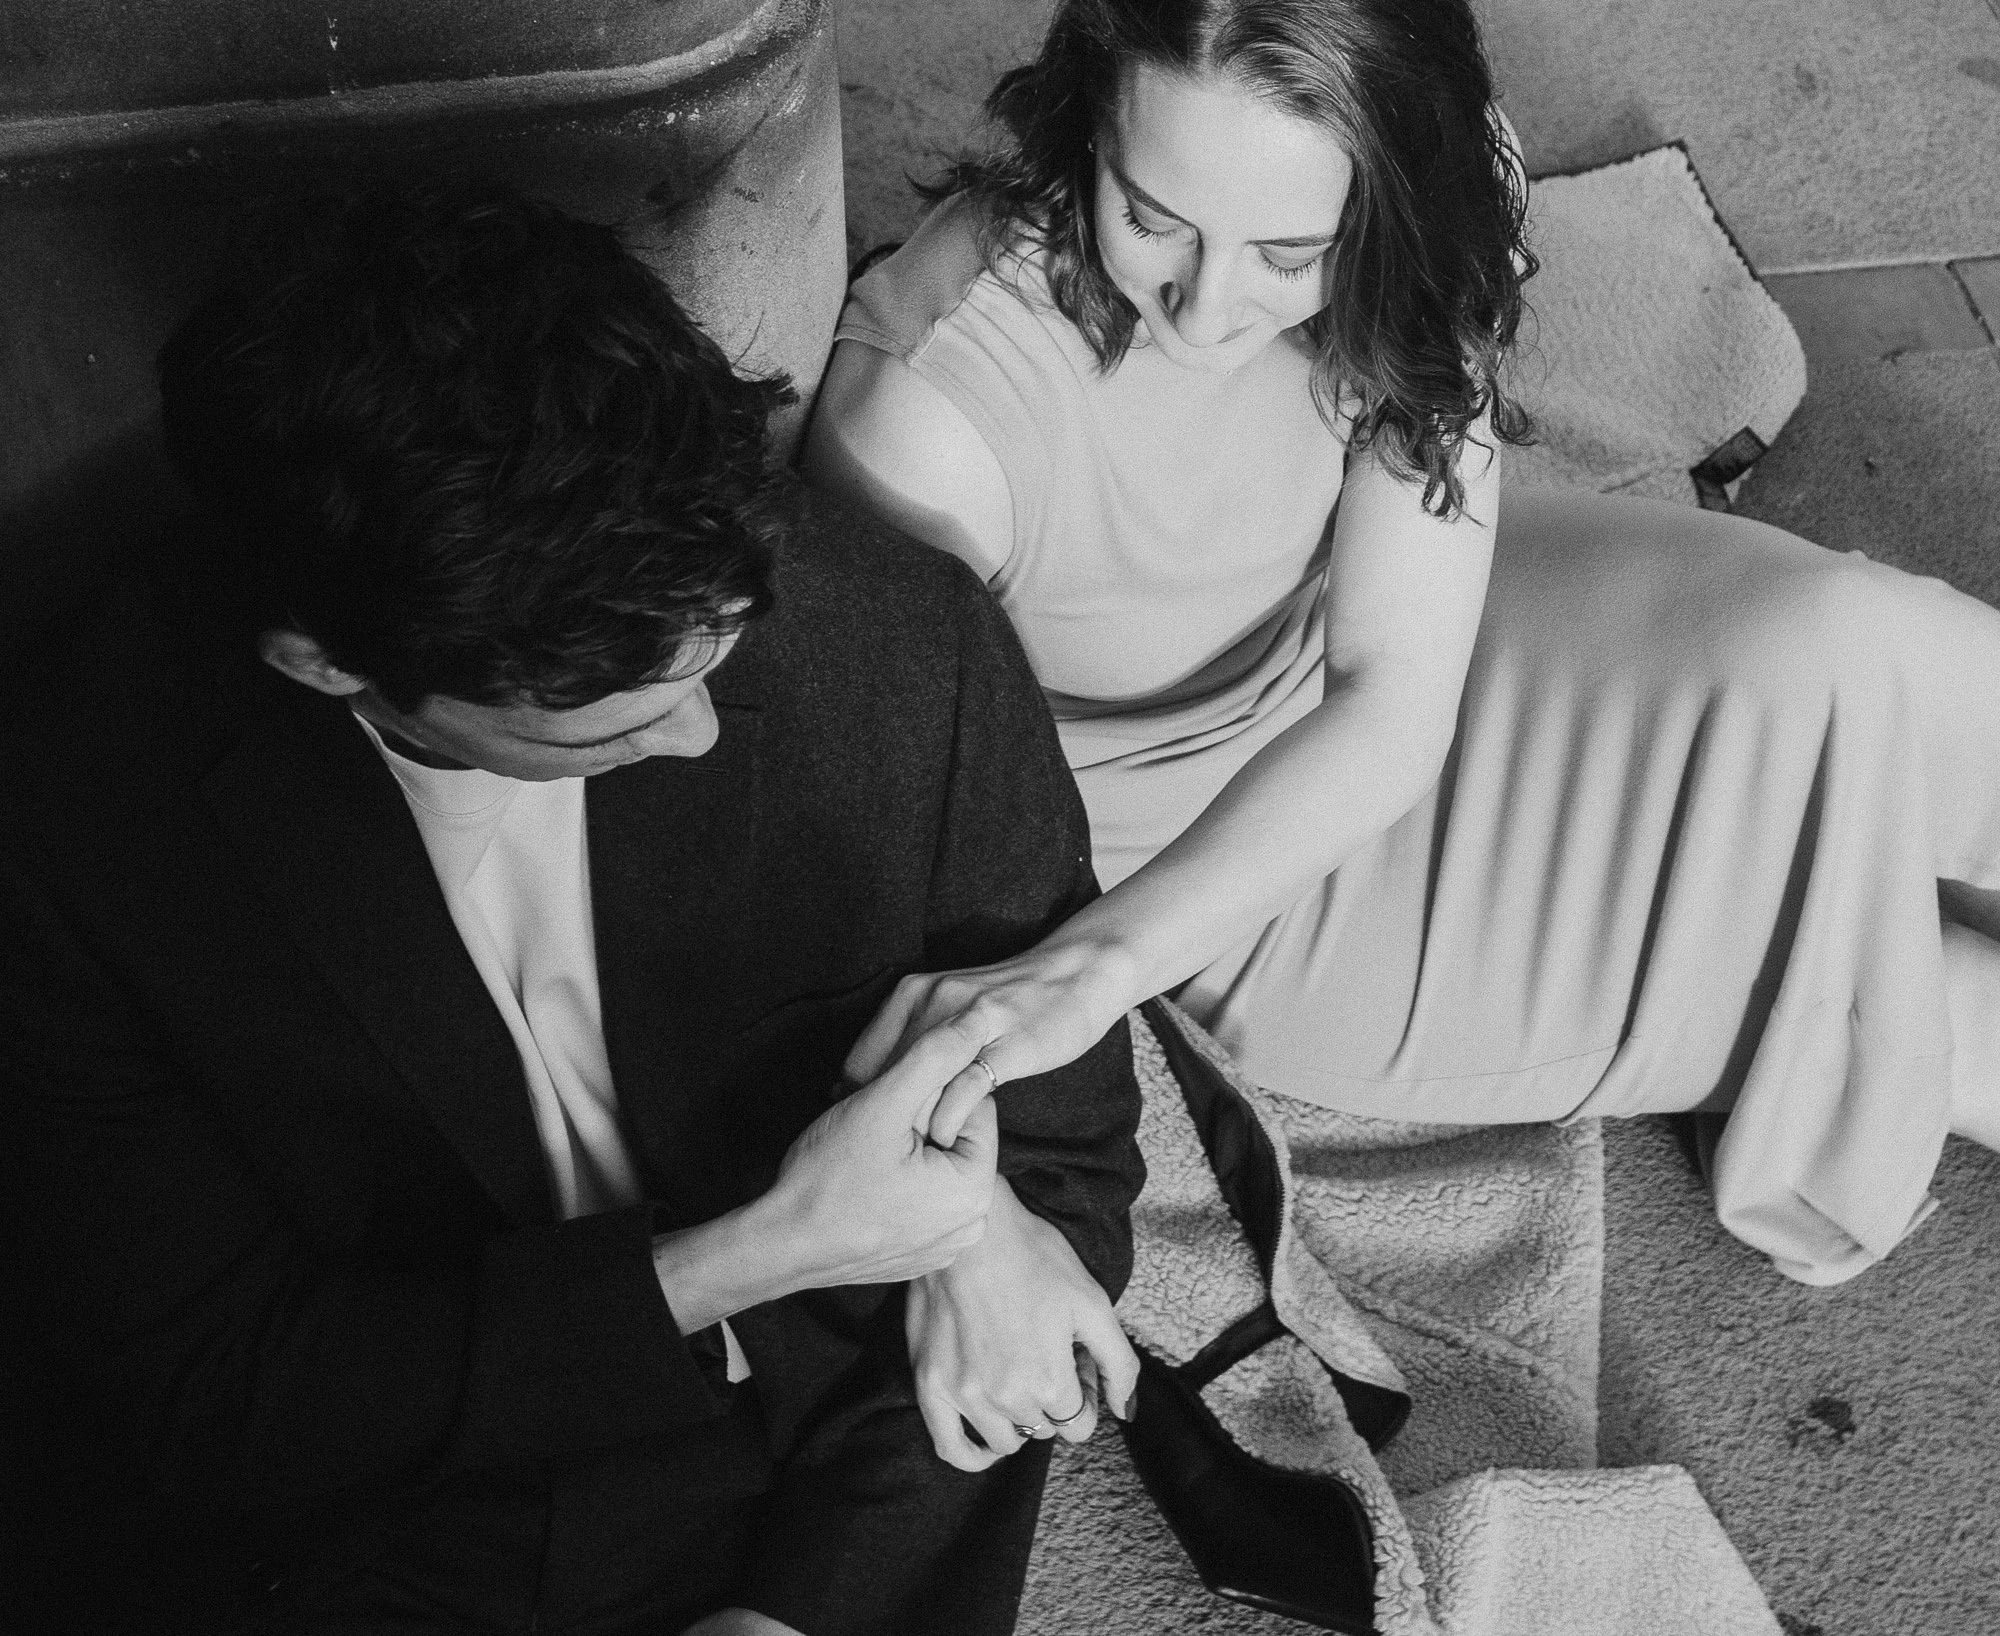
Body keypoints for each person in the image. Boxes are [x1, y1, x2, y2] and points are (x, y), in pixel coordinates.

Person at [806, 0, 2000, 1293]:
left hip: (1421, 640)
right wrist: (1101, 973)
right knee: (1896, 990)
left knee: (1860, 643)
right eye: (1151, 216)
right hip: (1229, 883)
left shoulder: (1422, 202)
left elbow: (1393, 683)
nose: (1208, 305)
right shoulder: (931, 435)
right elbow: (854, 859)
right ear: (1086, 115)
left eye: (1291, 250)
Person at [0, 186, 1143, 1636]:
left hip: (824, 1453)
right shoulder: (80, 830)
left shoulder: (897, 642)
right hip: (382, 1507)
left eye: (706, 663)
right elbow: (226, 1397)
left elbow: (1058, 1166)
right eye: (600, 727)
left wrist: (798, 1613)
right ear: (328, 666)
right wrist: (767, 1245)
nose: (697, 740)